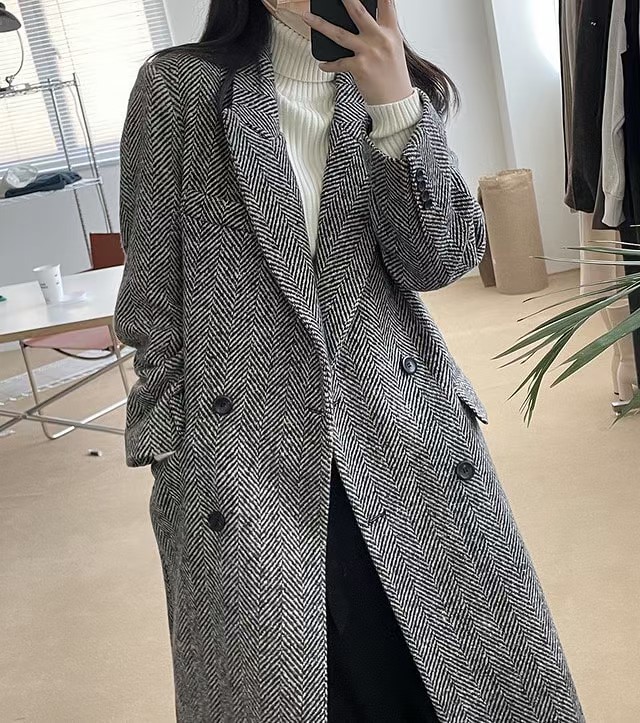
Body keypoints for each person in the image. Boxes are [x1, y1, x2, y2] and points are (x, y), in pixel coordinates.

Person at [114, 1, 585, 720]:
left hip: (401, 426)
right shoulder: (178, 89)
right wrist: (173, 455)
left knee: (447, 678)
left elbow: (440, 261)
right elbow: (152, 298)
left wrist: (394, 106)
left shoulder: (401, 88)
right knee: (293, 686)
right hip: (241, 456)